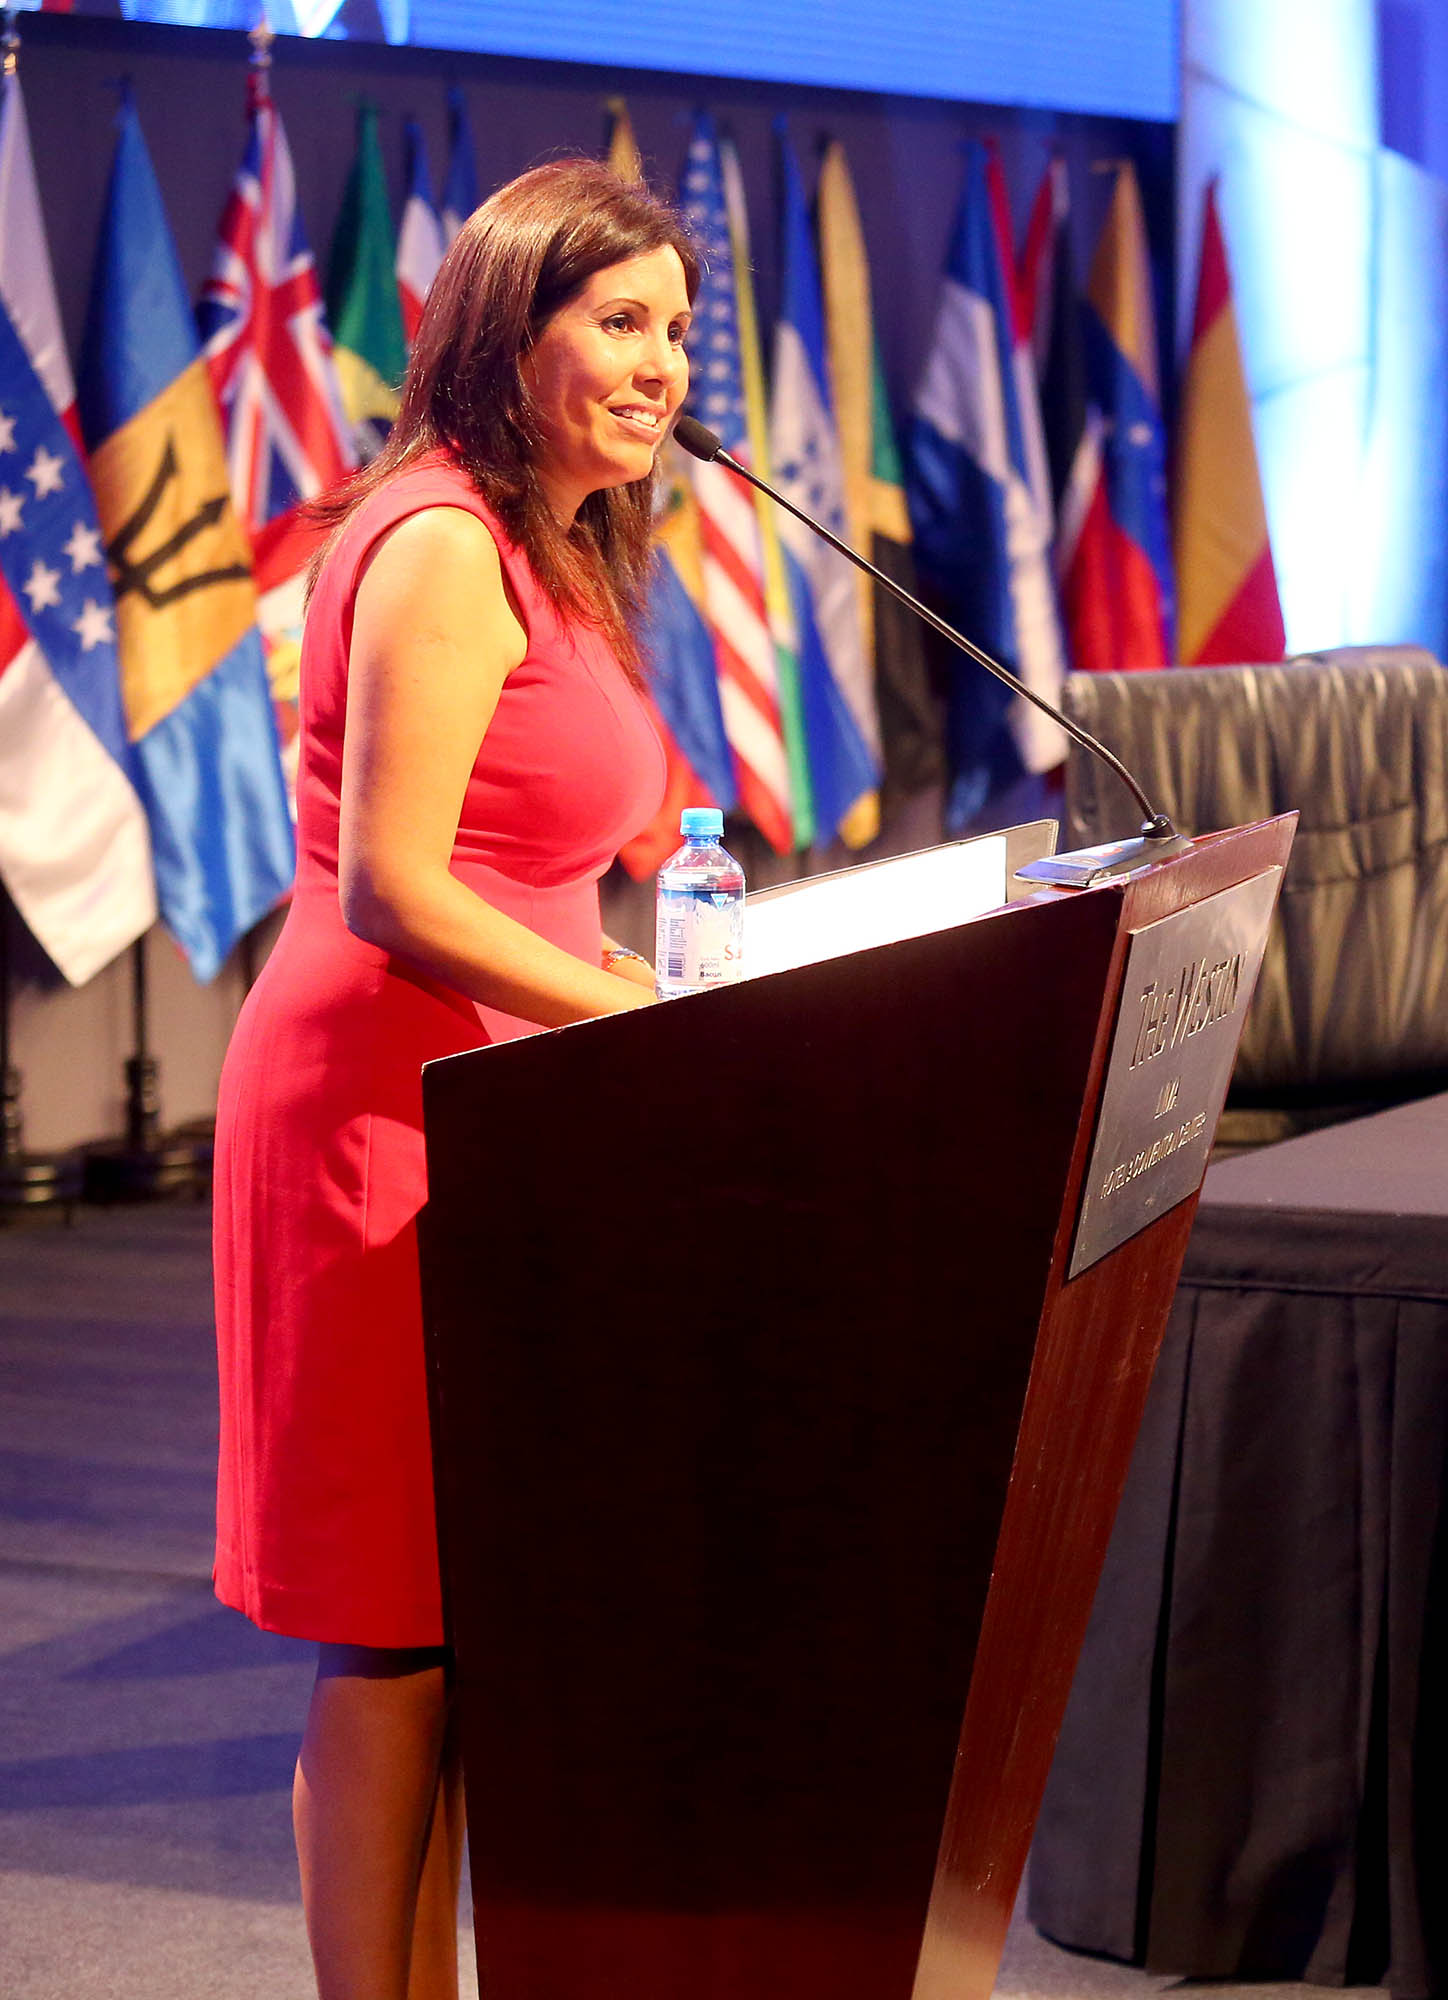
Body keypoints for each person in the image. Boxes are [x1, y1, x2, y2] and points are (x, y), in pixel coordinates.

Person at [211, 160, 689, 1999]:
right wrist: (625, 1016)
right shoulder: (437, 540)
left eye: (676, 330)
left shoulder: (556, 543)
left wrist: (637, 972)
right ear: (509, 330)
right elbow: (396, 889)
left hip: (499, 1111)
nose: (661, 367)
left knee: (463, 1619)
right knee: (395, 1629)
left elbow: (538, 853)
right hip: (379, 1111)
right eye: (620, 322)